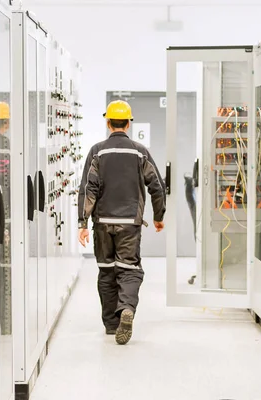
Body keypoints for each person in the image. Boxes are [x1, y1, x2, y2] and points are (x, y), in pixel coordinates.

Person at [77, 100, 166, 345]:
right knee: (129, 270)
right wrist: (159, 217)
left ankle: (110, 324)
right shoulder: (140, 152)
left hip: (102, 223)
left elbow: (88, 189)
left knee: (106, 271)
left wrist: (82, 223)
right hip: (130, 223)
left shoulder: (97, 151)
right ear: (128, 123)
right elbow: (157, 187)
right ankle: (126, 308)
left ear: (108, 123)